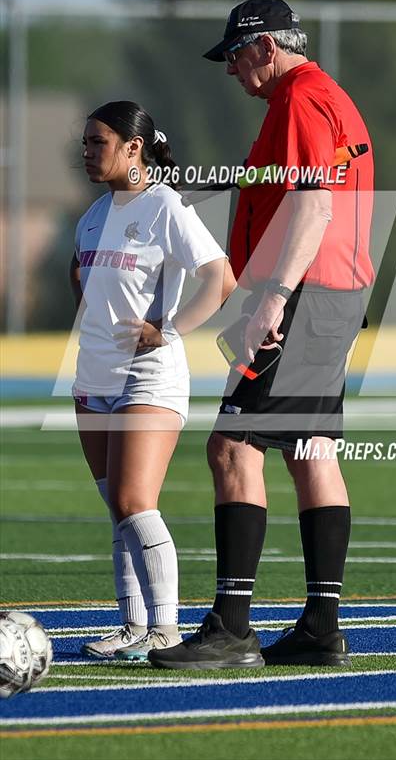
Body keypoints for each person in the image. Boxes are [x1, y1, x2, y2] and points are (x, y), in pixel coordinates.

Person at [149, 0, 374, 670]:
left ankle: (233, 625)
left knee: (230, 448)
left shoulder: (301, 100)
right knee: (311, 450)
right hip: (335, 290)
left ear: (266, 47)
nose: (231, 72)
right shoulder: (324, 96)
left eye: (236, 57)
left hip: (305, 293)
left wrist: (273, 297)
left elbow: (312, 200)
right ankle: (320, 624)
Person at [71, 101, 235, 660]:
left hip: (149, 374)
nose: (87, 152)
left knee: (134, 499)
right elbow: (86, 283)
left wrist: (167, 329)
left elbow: (221, 277)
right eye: (86, 143)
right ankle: (132, 625)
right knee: (116, 507)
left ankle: (166, 628)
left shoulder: (166, 205)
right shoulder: (92, 215)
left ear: (134, 147)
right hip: (93, 374)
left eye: (99, 142)